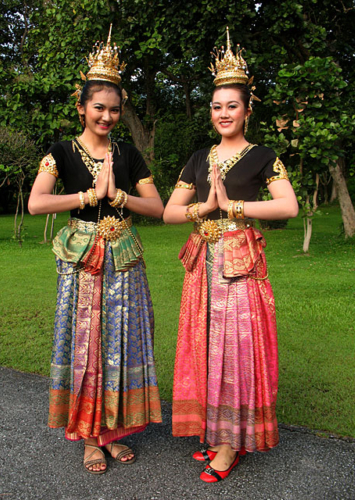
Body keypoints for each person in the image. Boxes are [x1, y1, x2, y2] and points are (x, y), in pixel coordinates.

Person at [163, 28, 298, 483]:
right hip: (202, 262)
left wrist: (234, 206)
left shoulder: (263, 155)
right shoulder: (199, 157)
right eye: (217, 106)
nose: (223, 113)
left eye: (232, 105)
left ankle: (230, 443)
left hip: (239, 262)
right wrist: (203, 208)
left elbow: (287, 206)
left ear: (247, 109)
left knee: (236, 348)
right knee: (203, 346)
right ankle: (215, 431)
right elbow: (168, 212)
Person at [28, 26, 163, 474]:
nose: (106, 117)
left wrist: (120, 196)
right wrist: (88, 196)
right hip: (82, 262)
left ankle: (114, 432)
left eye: (114, 110)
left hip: (124, 259)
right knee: (86, 341)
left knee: (121, 341)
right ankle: (89, 436)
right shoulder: (61, 151)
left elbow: (158, 208)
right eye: (98, 108)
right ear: (82, 107)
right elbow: (37, 202)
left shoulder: (128, 154)